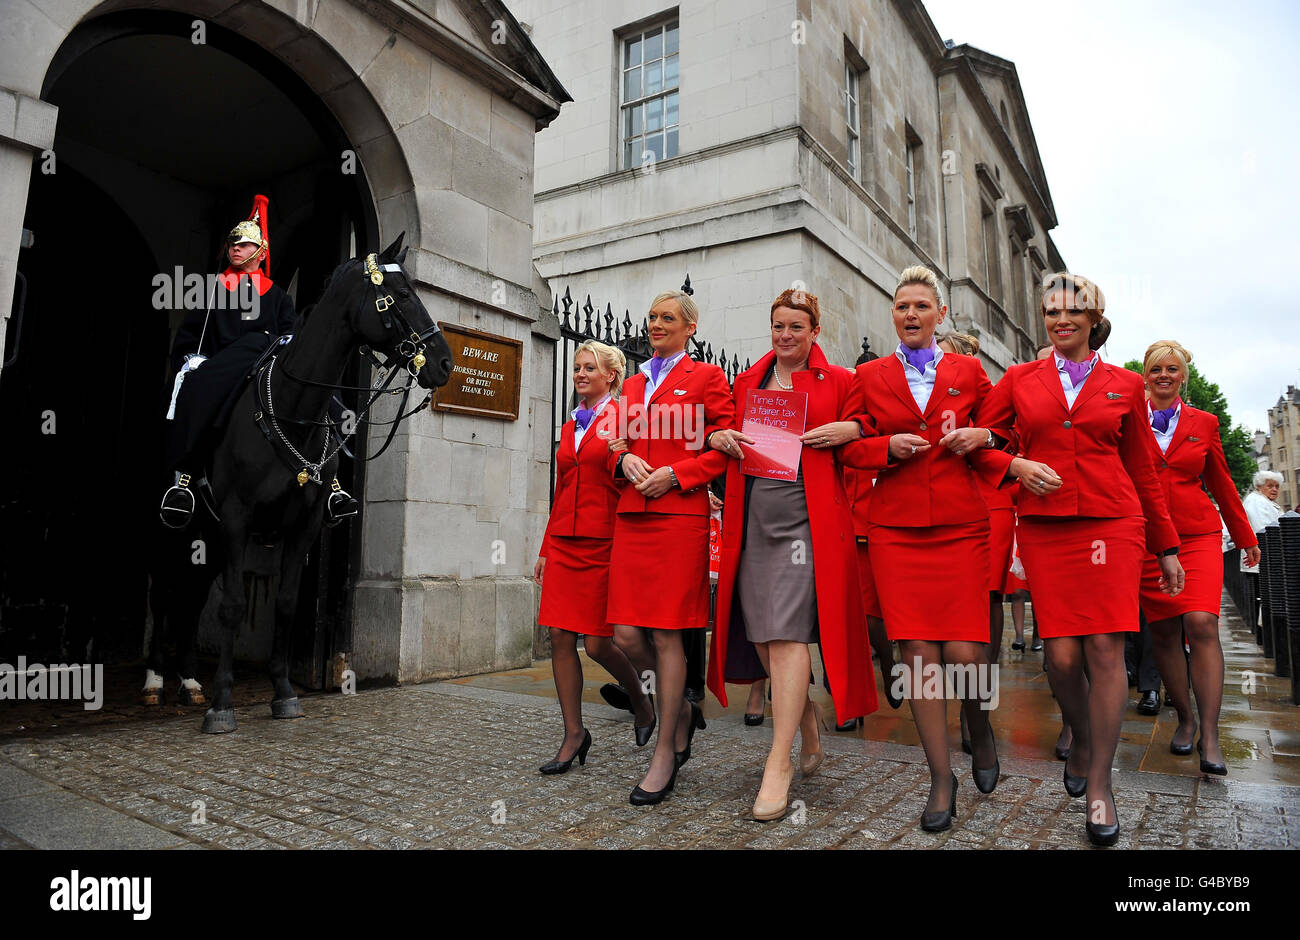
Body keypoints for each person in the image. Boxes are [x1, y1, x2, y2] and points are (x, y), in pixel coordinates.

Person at [979, 272, 1184, 847]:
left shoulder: (1126, 384)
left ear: (1094, 318)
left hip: (1114, 524)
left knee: (1104, 648)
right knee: (1063, 659)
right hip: (1046, 530)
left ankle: (1099, 785)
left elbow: (1144, 469)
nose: (1060, 320)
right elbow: (988, 442)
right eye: (1050, 312)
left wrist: (1166, 547)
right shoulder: (1018, 379)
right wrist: (1014, 467)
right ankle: (1083, 733)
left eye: (1072, 311)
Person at [844, 266, 1013, 832]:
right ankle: (942, 779)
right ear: (892, 315)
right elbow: (851, 446)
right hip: (896, 531)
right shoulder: (869, 374)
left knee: (967, 656)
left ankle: (980, 727)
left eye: (920, 305)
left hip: (962, 527)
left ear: (940, 314)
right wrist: (884, 446)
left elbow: (1000, 431)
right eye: (901, 306)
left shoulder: (969, 371)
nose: (910, 314)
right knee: (919, 660)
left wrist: (984, 437)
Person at [706, 288, 877, 820]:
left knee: (786, 634)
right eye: (778, 325)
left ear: (814, 332)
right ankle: (805, 720)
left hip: (809, 523)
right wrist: (721, 436)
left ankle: (777, 763)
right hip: (755, 518)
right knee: (761, 635)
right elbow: (715, 430)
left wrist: (849, 428)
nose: (785, 335)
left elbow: (870, 427)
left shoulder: (842, 381)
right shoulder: (747, 380)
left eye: (796, 327)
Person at [158, 196, 358, 528]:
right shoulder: (212, 291)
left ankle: (334, 485)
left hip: (266, 360)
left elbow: (290, 332)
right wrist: (191, 360)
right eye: (233, 243)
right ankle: (184, 480)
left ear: (260, 251)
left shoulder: (277, 295)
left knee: (316, 389)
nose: (235, 248)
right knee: (196, 388)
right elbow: (189, 337)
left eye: (245, 243)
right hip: (223, 362)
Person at [606, 290, 734, 806]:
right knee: (625, 634)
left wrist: (677, 475)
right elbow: (612, 450)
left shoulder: (707, 379)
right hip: (633, 519)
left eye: (667, 318)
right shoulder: (632, 384)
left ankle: (664, 752)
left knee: (665, 635)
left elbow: (725, 446)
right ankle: (679, 707)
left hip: (679, 518)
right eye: (652, 318)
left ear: (690, 327)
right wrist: (623, 464)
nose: (656, 325)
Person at [1136, 340, 1259, 775]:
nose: (1164, 375)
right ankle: (1185, 719)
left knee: (1202, 622)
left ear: (1183, 375)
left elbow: (1222, 483)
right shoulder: (1127, 418)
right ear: (1145, 375)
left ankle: (1211, 733)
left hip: (1198, 535)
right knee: (1165, 632)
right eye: (1156, 370)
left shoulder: (1204, 423)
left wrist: (1245, 536)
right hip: (1150, 538)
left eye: (1172, 369)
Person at [534, 341, 656, 774]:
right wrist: (547, 548)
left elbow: (635, 476)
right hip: (565, 542)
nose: (580, 374)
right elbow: (562, 488)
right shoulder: (570, 427)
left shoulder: (626, 419)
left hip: (606, 540)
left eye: (589, 368)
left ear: (611, 377)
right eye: (576, 368)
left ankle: (642, 701)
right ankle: (574, 734)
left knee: (601, 642)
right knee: (560, 638)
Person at [1241, 470, 1282, 633]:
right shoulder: (1257, 502)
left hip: (1262, 557)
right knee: (1262, 596)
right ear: (1259, 486)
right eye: (1270, 486)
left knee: (1262, 597)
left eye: (1277, 486)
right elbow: (1263, 529)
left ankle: (1264, 633)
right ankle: (1266, 635)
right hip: (1262, 557)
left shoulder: (1261, 501)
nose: (1274, 489)